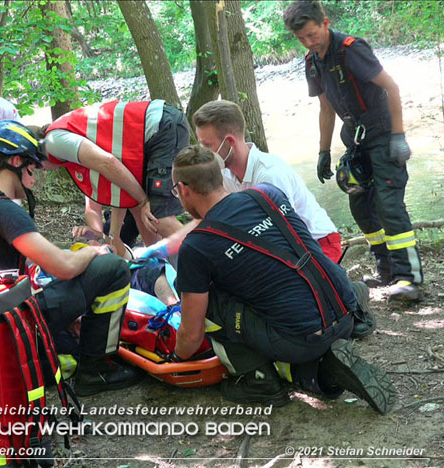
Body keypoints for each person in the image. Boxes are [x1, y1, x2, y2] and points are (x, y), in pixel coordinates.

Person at [168, 145, 395, 413]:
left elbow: (192, 334)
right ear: (219, 177)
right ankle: (327, 365)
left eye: (175, 191)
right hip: (344, 308)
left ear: (184, 189)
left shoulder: (196, 246)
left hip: (301, 339)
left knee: (211, 302)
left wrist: (176, 357)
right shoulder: (268, 193)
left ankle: (259, 381)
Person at [0, 120, 142, 396]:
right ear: (16, 161)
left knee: (67, 348)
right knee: (111, 267)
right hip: (13, 322)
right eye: (32, 167)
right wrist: (94, 250)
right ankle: (97, 370)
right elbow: (64, 267)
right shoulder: (5, 210)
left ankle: (62, 356)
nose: (34, 177)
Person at [283, 0, 423, 302]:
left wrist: (398, 136)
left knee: (389, 203)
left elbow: (392, 87)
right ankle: (386, 269)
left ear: (325, 23)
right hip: (355, 138)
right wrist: (323, 151)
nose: (309, 41)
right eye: (302, 38)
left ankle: (409, 279)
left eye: (312, 34)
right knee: (360, 206)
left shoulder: (350, 49)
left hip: (383, 133)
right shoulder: (312, 61)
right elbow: (325, 107)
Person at [193, 100, 343, 263]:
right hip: (280, 245)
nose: (205, 154)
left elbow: (286, 233)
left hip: (317, 244)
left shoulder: (270, 175)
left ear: (229, 141)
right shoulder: (224, 175)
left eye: (208, 146)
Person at [40, 100, 189, 250]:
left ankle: (208, 265)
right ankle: (158, 266)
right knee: (143, 214)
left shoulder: (52, 142)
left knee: (160, 218)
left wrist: (143, 200)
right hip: (153, 131)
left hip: (159, 126)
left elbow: (108, 163)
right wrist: (112, 236)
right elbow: (120, 190)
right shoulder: (70, 149)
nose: (42, 171)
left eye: (35, 166)